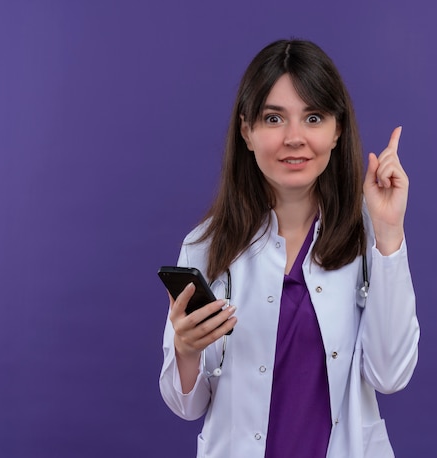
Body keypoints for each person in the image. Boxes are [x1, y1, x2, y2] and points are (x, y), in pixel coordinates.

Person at [159, 39, 419, 458]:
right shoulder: (205, 248)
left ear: (337, 131)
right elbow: (188, 406)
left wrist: (389, 235)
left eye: (313, 117)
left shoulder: (368, 238)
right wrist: (185, 350)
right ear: (247, 131)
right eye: (274, 118)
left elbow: (390, 376)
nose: (294, 138)